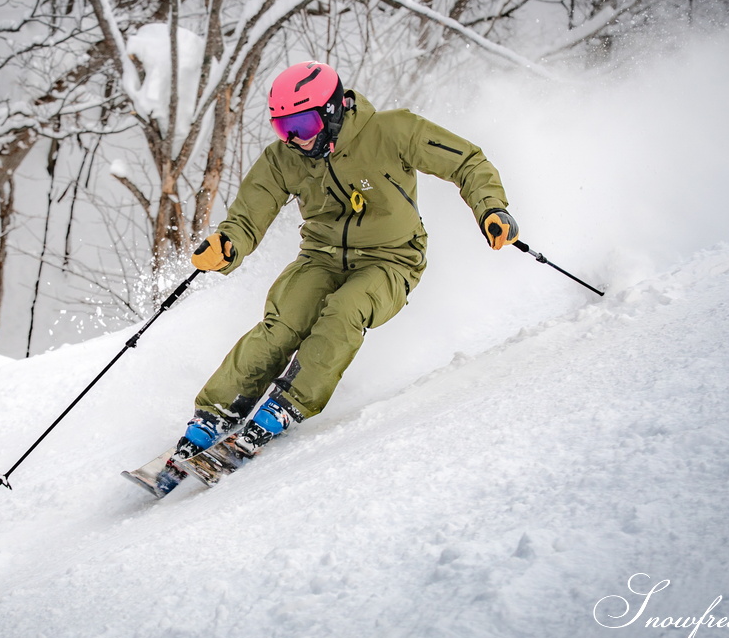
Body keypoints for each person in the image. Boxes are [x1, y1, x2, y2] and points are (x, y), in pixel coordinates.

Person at [175, 60, 519, 461]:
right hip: (320, 258)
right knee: (282, 323)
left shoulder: (392, 130)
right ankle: (215, 412)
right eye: (284, 128)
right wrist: (228, 244)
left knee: (344, 310)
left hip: (392, 260)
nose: (296, 140)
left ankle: (287, 404)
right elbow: (250, 213)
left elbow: (467, 162)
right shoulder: (284, 158)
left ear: (333, 110)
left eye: (302, 126)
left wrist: (491, 208)